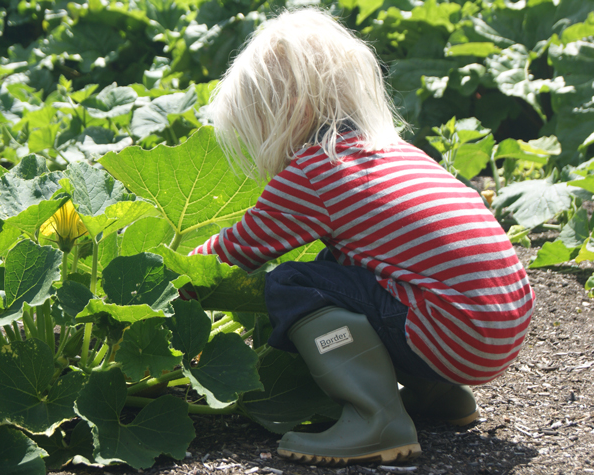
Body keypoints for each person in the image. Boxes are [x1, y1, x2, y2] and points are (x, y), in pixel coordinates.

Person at [189, 7, 534, 467]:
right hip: (499, 326)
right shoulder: (397, 152)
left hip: (452, 331)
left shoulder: (316, 169)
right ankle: (438, 395)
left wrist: (174, 280)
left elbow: (237, 250)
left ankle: (378, 420)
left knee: (295, 285)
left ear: (292, 110)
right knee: (354, 267)